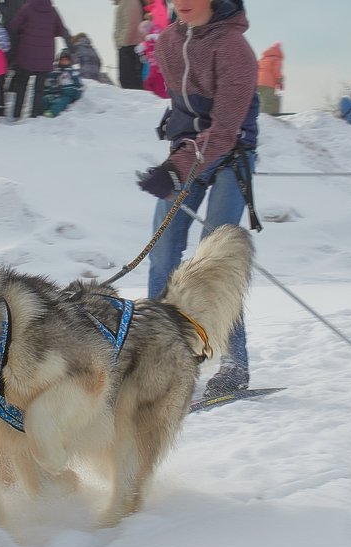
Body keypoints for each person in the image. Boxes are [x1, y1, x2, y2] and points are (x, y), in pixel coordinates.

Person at [136, 0, 259, 396]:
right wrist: (175, 141)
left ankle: (235, 363)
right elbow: (182, 104)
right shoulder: (169, 39)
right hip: (189, 150)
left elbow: (223, 130)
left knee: (216, 262)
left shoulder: (235, 49)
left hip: (231, 154)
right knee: (163, 252)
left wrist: (176, 167)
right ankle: (159, 360)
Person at [8, 0, 70, 120]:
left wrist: (24, 30)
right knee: (39, 89)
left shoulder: (27, 8)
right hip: (45, 57)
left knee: (22, 85)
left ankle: (16, 115)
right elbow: (60, 30)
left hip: (26, 55)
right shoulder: (53, 11)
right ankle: (35, 115)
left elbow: (13, 26)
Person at [41, 49, 82, 118]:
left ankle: (52, 112)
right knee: (45, 99)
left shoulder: (72, 73)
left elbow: (79, 85)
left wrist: (76, 95)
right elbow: (48, 84)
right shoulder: (54, 73)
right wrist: (47, 91)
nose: (64, 61)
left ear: (70, 61)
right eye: (62, 60)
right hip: (55, 94)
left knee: (60, 102)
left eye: (66, 60)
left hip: (67, 95)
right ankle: (40, 113)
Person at [113, 0, 143, 90]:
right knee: (128, 80)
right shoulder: (123, 3)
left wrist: (122, 43)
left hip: (129, 46)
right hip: (128, 45)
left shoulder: (128, 1)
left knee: (129, 80)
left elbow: (131, 23)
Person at [255, 41, 283, 115]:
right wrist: (280, 82)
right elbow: (276, 71)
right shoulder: (276, 59)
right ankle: (264, 119)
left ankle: (258, 117)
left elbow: (255, 68)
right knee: (267, 102)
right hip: (268, 84)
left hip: (258, 83)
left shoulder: (263, 59)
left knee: (259, 102)